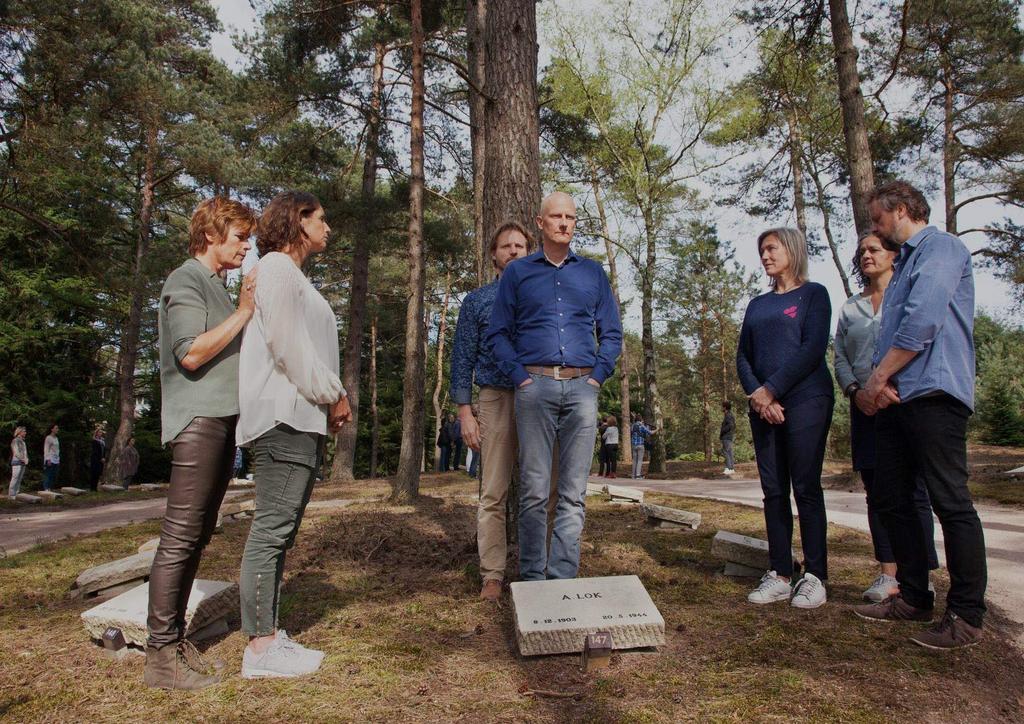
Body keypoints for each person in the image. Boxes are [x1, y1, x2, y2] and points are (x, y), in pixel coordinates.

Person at [853, 181, 988, 650]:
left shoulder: (942, 248)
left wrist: (877, 378)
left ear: (904, 210)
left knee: (950, 502)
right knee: (892, 498)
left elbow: (923, 319)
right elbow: (892, 331)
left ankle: (967, 615)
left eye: (878, 219)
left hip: (935, 394)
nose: (875, 228)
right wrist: (882, 384)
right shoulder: (907, 260)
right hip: (898, 398)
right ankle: (913, 596)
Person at [145, 196, 258, 690]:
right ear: (210, 235)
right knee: (180, 537)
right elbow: (189, 353)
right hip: (198, 420)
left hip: (222, 421)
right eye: (239, 237)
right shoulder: (185, 279)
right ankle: (160, 658)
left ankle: (173, 644)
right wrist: (245, 312)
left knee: (198, 534)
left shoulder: (215, 285)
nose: (246, 246)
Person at [237, 191, 351, 678]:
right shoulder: (278, 269)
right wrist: (334, 392)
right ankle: (260, 649)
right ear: (298, 222)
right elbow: (289, 347)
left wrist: (325, 403)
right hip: (283, 416)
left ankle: (269, 633)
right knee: (272, 530)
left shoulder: (292, 275)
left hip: (300, 417)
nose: (328, 228)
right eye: (320, 219)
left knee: (281, 532)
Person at [487, 191, 622, 581]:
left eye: (571, 217)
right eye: (556, 217)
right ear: (540, 222)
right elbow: (498, 334)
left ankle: (562, 579)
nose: (564, 223)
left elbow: (611, 333)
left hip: (583, 389)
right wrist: (522, 379)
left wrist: (597, 377)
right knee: (532, 491)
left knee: (573, 494)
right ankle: (532, 579)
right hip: (535, 388)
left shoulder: (593, 273)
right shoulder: (518, 273)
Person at [835, 232, 938, 603]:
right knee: (877, 493)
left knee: (915, 492)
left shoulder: (907, 297)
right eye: (861, 251)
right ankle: (887, 574)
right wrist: (855, 392)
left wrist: (891, 388)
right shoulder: (849, 308)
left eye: (874, 249)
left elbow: (920, 340)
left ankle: (921, 576)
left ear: (894, 255)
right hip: (865, 408)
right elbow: (841, 359)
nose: (866, 255)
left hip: (903, 402)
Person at [737, 227, 833, 610]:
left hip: (808, 400)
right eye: (761, 250)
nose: (765, 255)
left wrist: (772, 389)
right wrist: (761, 397)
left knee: (805, 486)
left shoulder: (814, 295)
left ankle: (815, 575)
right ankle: (779, 573)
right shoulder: (758, 305)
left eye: (771, 248)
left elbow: (812, 349)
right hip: (764, 406)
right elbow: (743, 356)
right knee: (773, 490)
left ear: (792, 250)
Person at [451, 220, 532, 600]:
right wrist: (465, 412)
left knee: (542, 488)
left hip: (538, 398)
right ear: (494, 255)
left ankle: (540, 571)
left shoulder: (542, 296)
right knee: (492, 492)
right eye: (506, 246)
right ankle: (493, 575)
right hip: (494, 398)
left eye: (520, 245)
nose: (513, 251)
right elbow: (461, 357)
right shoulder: (477, 301)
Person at [630, 415, 656, 480]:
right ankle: (638, 475)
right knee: (639, 460)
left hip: (634, 445)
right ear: (641, 420)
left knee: (634, 460)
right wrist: (657, 429)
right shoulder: (641, 426)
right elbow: (650, 432)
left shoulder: (632, 426)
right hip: (640, 445)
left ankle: (633, 475)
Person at [9, 426, 28, 498]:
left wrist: (26, 459)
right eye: (24, 431)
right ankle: (11, 495)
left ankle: (16, 493)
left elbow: (25, 452)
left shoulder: (23, 442)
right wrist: (22, 459)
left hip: (23, 462)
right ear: (19, 432)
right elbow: (16, 452)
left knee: (19, 479)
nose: (25, 433)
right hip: (16, 462)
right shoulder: (15, 441)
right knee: (15, 478)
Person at [42, 424, 60, 491]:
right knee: (48, 474)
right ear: (52, 429)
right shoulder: (48, 438)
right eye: (56, 428)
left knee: (53, 474)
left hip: (56, 459)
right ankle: (46, 488)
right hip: (50, 458)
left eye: (57, 428)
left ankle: (50, 488)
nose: (57, 429)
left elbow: (57, 449)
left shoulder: (56, 438)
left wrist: (58, 459)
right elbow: (46, 449)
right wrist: (48, 459)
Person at [719, 402, 735, 475]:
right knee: (729, 452)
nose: (721, 408)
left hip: (726, 437)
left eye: (722, 407)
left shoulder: (728, 415)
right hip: (729, 437)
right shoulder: (730, 415)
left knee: (725, 452)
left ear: (725, 407)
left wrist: (723, 431)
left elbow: (731, 425)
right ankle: (731, 469)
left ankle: (728, 468)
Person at [89, 425, 106, 491]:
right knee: (94, 473)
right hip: (95, 459)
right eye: (99, 432)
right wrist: (100, 458)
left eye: (101, 432)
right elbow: (95, 451)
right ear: (96, 433)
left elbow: (103, 451)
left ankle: (95, 487)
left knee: (98, 473)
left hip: (101, 459)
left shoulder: (102, 441)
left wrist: (103, 457)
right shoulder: (95, 441)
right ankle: (92, 488)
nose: (100, 434)